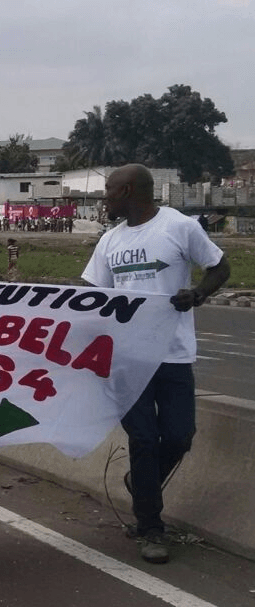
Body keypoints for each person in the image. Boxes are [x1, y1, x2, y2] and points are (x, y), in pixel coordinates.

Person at [81, 164, 230, 565]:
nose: (105, 198)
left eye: (109, 190)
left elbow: (220, 267)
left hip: (173, 356)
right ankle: (150, 527)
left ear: (128, 190)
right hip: (127, 360)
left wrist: (197, 293)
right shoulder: (109, 241)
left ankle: (139, 484)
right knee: (143, 440)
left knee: (180, 436)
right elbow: (91, 294)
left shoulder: (179, 227)